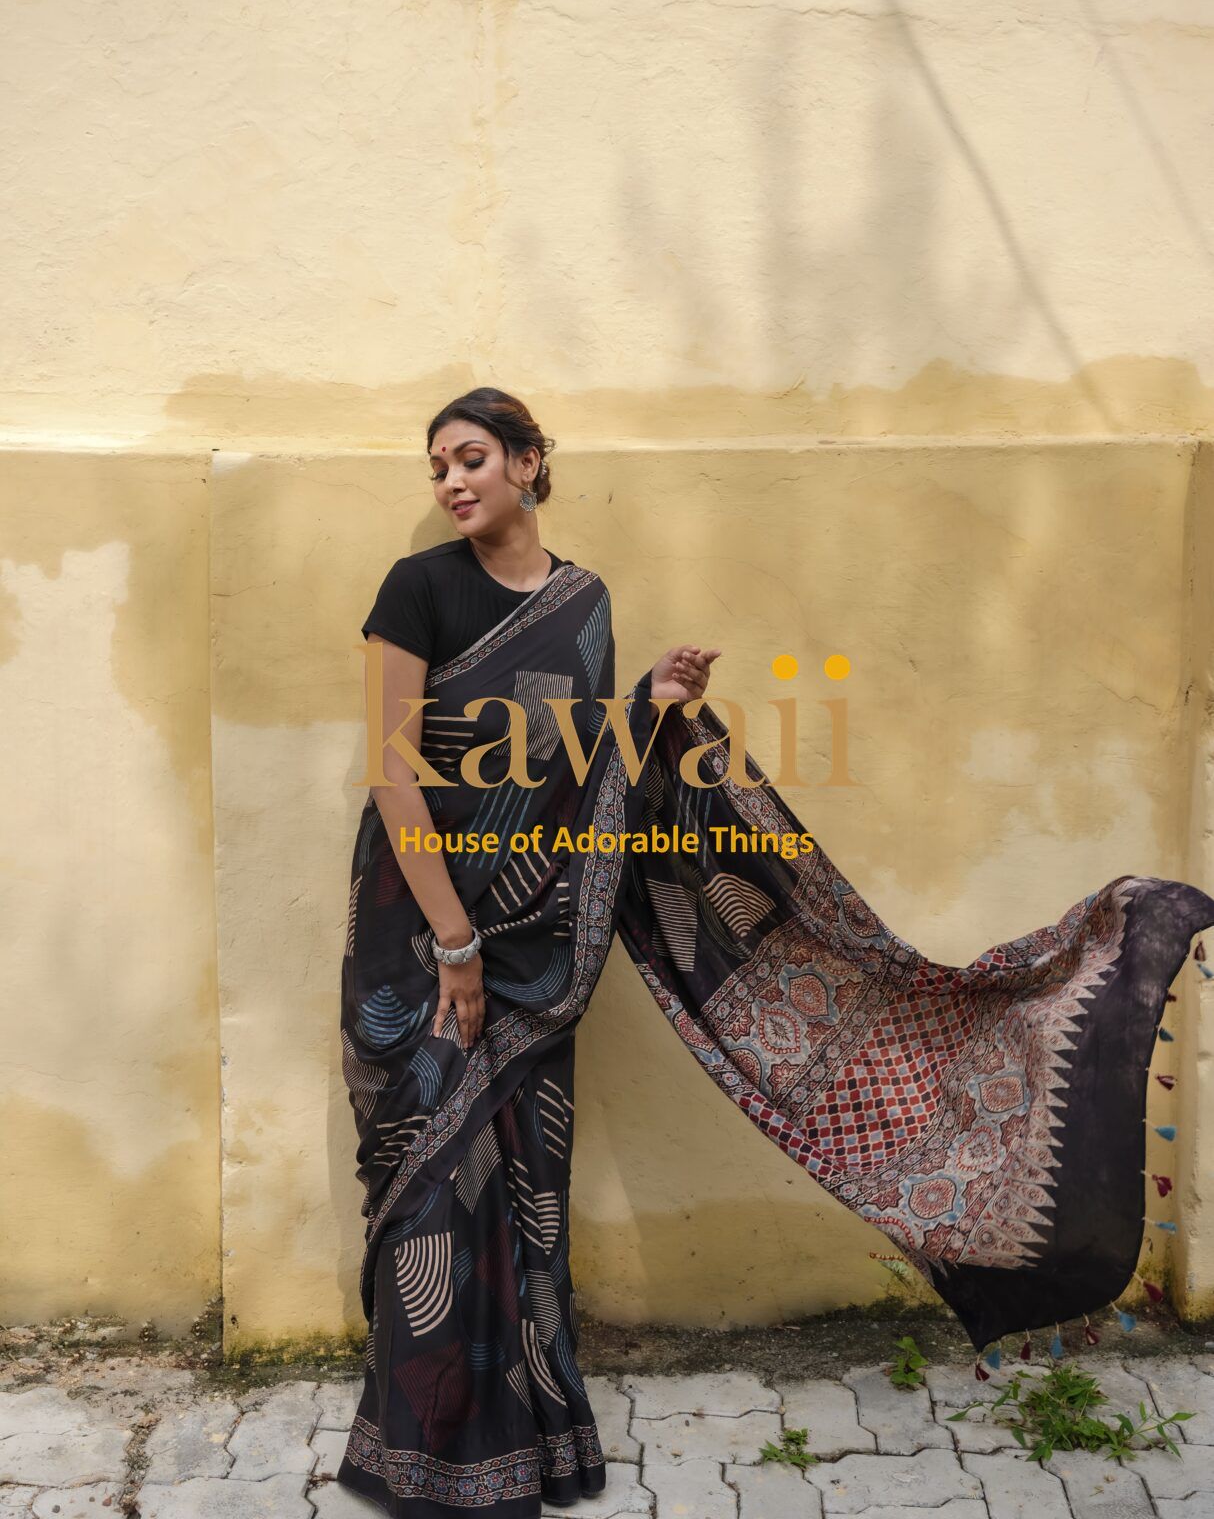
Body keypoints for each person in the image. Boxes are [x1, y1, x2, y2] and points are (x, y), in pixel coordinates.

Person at [338, 388, 1214, 1517]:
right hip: (421, 928)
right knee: (425, 1185)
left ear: (528, 463)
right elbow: (392, 768)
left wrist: (651, 706)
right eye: (436, 469)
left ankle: (531, 1436)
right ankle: (426, 1452)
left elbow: (584, 773)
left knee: (523, 1187)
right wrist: (452, 939)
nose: (452, 483)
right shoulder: (415, 588)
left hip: (533, 943)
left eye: (471, 459)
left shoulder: (580, 601)